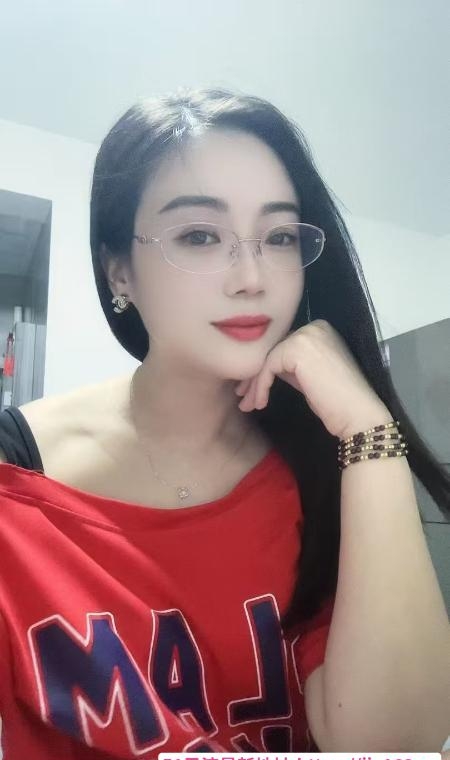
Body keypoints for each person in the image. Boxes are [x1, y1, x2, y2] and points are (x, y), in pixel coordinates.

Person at [0, 87, 449, 757]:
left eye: (280, 237)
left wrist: (367, 431)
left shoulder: (322, 467)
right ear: (118, 270)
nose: (251, 277)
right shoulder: (16, 482)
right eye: (200, 235)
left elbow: (395, 742)